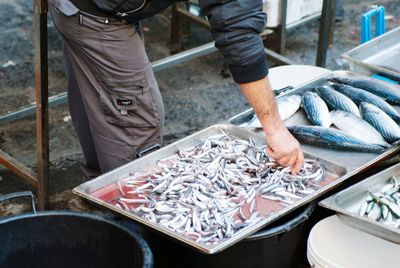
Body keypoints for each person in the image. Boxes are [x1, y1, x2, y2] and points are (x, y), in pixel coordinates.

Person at [48, 0, 304, 179]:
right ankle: (131, 227)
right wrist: (275, 129)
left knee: (99, 98)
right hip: (96, 15)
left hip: (84, 8)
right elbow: (239, 35)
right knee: (137, 123)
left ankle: (100, 195)